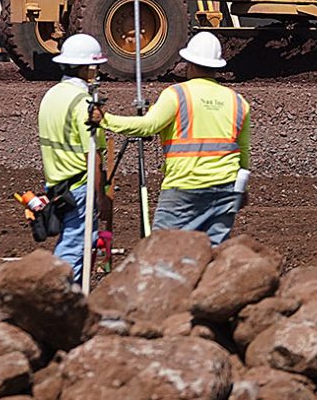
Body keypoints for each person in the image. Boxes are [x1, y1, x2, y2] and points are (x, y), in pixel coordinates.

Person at [103, 31, 251, 245]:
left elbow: (147, 126)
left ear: (189, 64)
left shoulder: (177, 94)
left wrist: (105, 120)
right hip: (225, 187)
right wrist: (241, 189)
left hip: (184, 187)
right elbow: (243, 154)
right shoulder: (238, 102)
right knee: (213, 252)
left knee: (161, 249)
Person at [37, 33, 107, 269]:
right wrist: (99, 197)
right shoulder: (84, 104)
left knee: (70, 241)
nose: (97, 72)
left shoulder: (51, 96)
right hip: (79, 188)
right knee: (75, 248)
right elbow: (93, 156)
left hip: (56, 184)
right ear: (87, 68)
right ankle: (59, 296)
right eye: (95, 67)